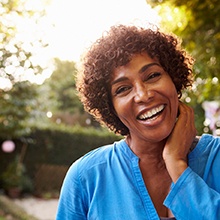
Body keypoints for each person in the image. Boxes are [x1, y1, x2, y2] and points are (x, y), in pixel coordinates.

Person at [56, 24, 220, 220]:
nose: (143, 95)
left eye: (152, 76)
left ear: (174, 79)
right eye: (123, 89)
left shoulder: (216, 157)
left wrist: (176, 164)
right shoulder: (86, 178)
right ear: (111, 107)